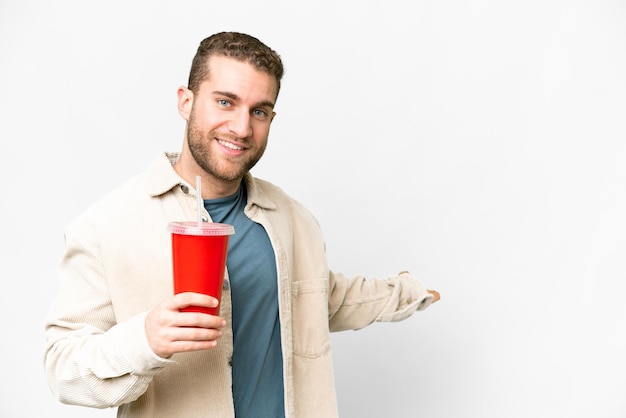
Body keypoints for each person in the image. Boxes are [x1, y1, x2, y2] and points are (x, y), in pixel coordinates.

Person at [44, 31, 441, 418]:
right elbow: (63, 369)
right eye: (224, 102)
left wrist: (406, 293)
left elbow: (317, 298)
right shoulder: (105, 225)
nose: (241, 128)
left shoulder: (293, 218)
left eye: (259, 111)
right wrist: (145, 340)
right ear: (186, 101)